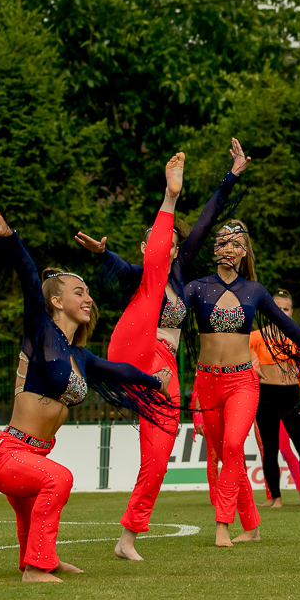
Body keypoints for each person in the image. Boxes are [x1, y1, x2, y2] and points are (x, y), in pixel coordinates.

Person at [0, 200, 174, 582]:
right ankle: (37, 568)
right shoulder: (41, 331)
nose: (88, 299)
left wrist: (156, 382)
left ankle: (39, 558)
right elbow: (29, 275)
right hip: (8, 454)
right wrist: (12, 239)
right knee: (59, 479)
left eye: (88, 293)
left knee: (35, 503)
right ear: (55, 301)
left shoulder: (79, 356)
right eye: (78, 292)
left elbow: (118, 370)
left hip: (32, 452)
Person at [76, 140, 249, 561]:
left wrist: (232, 176)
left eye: (173, 241)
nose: (168, 245)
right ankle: (171, 195)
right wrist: (104, 255)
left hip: (166, 364)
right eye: (160, 239)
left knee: (159, 452)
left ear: (176, 248)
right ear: (147, 245)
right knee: (149, 283)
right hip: (137, 350)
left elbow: (207, 221)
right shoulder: (142, 274)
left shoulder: (180, 276)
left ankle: (127, 537)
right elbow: (120, 269)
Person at [183, 220, 300, 547]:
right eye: (223, 242)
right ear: (214, 248)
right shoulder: (197, 287)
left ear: (243, 252)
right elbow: (167, 312)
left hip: (242, 381)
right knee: (227, 456)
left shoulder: (254, 291)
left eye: (236, 244)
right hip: (208, 382)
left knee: (234, 446)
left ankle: (223, 524)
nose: (229, 248)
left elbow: (290, 327)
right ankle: (251, 525)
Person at [250, 290, 300, 507]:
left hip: (292, 396)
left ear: (292, 312)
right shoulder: (256, 336)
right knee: (270, 449)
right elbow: (239, 355)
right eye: (277, 307)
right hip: (265, 395)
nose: (281, 312)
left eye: (285, 309)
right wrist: (252, 366)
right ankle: (275, 498)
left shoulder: (298, 335)